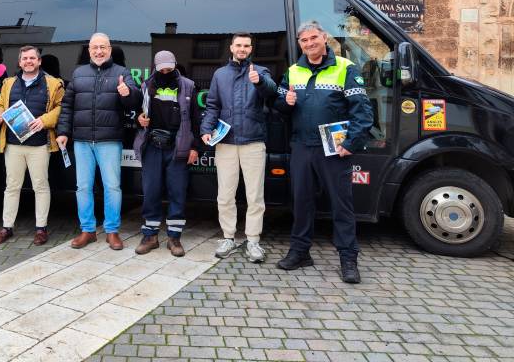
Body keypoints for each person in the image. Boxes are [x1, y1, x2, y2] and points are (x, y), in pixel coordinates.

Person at [274, 20, 373, 284]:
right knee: (301, 202)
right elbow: (279, 109)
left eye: (314, 38)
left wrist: (350, 143)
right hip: (302, 146)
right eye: (304, 40)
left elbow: (362, 111)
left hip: (334, 148)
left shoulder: (345, 68)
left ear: (324, 37)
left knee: (342, 204)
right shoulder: (293, 71)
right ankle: (300, 252)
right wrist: (285, 102)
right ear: (300, 44)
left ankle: (348, 259)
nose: (309, 44)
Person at [56, 32, 140, 250]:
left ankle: (112, 231)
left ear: (110, 49)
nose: (99, 51)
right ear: (89, 50)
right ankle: (88, 230)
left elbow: (134, 102)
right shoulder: (79, 73)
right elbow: (67, 106)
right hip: (82, 141)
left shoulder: (122, 73)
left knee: (112, 187)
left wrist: (126, 92)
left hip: (109, 141)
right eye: (95, 47)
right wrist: (63, 131)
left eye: (103, 47)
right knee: (83, 187)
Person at [200, 32, 277, 262]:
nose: (242, 49)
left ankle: (253, 241)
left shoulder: (260, 71)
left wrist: (259, 82)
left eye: (246, 45)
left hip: (253, 142)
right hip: (226, 142)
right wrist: (206, 129)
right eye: (238, 45)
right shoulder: (220, 74)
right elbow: (212, 104)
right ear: (231, 48)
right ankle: (228, 237)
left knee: (255, 196)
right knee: (225, 195)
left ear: (251, 48)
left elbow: (272, 93)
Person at [0, 46, 65, 246]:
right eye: (25, 58)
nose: (29, 61)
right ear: (20, 62)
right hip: (13, 145)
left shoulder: (53, 84)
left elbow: (61, 108)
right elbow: (0, 106)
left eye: (33, 58)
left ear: (39, 61)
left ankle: (41, 228)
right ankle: (7, 227)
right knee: (12, 186)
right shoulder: (8, 83)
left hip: (40, 144)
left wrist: (45, 120)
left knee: (40, 186)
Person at [133, 51, 200, 257]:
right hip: (152, 145)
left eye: (168, 68)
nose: (165, 71)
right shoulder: (145, 86)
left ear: (175, 65)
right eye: (161, 68)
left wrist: (195, 147)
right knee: (151, 190)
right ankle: (150, 236)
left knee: (177, 192)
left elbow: (196, 119)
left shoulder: (188, 85)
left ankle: (174, 237)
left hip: (178, 145)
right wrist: (139, 119)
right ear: (155, 67)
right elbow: (137, 112)